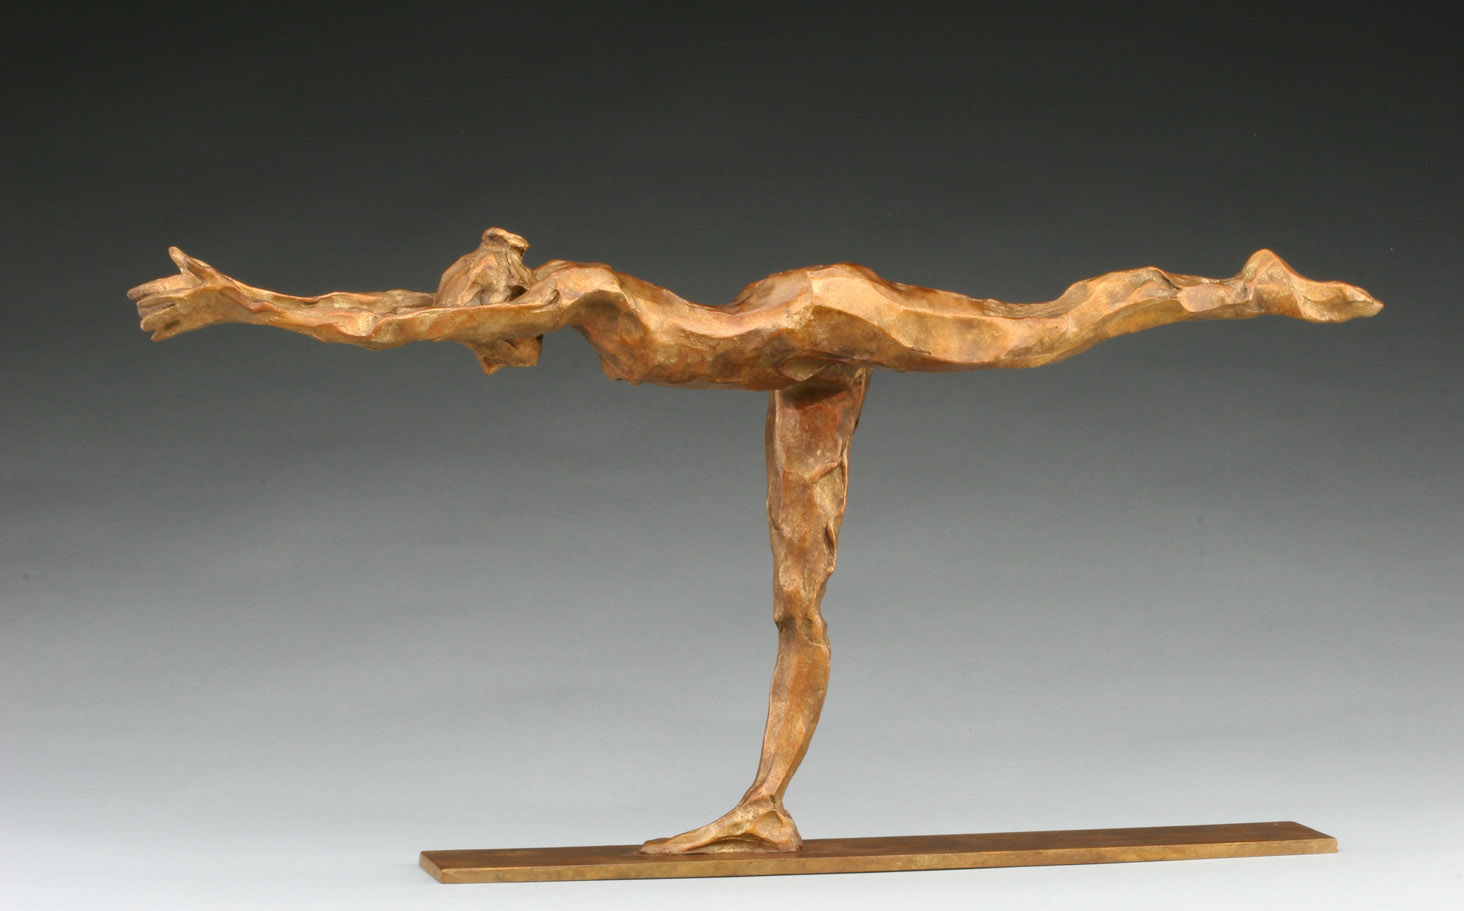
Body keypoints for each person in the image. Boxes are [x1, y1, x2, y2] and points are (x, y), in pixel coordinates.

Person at [129, 229, 1381, 854]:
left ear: (501, 305)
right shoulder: (553, 308)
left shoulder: (576, 294)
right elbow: (419, 313)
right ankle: (765, 808)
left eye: (487, 338)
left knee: (1038, 335)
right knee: (799, 599)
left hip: (829, 321)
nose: (493, 357)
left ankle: (1248, 286)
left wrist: (243, 302)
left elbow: (394, 320)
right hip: (802, 371)